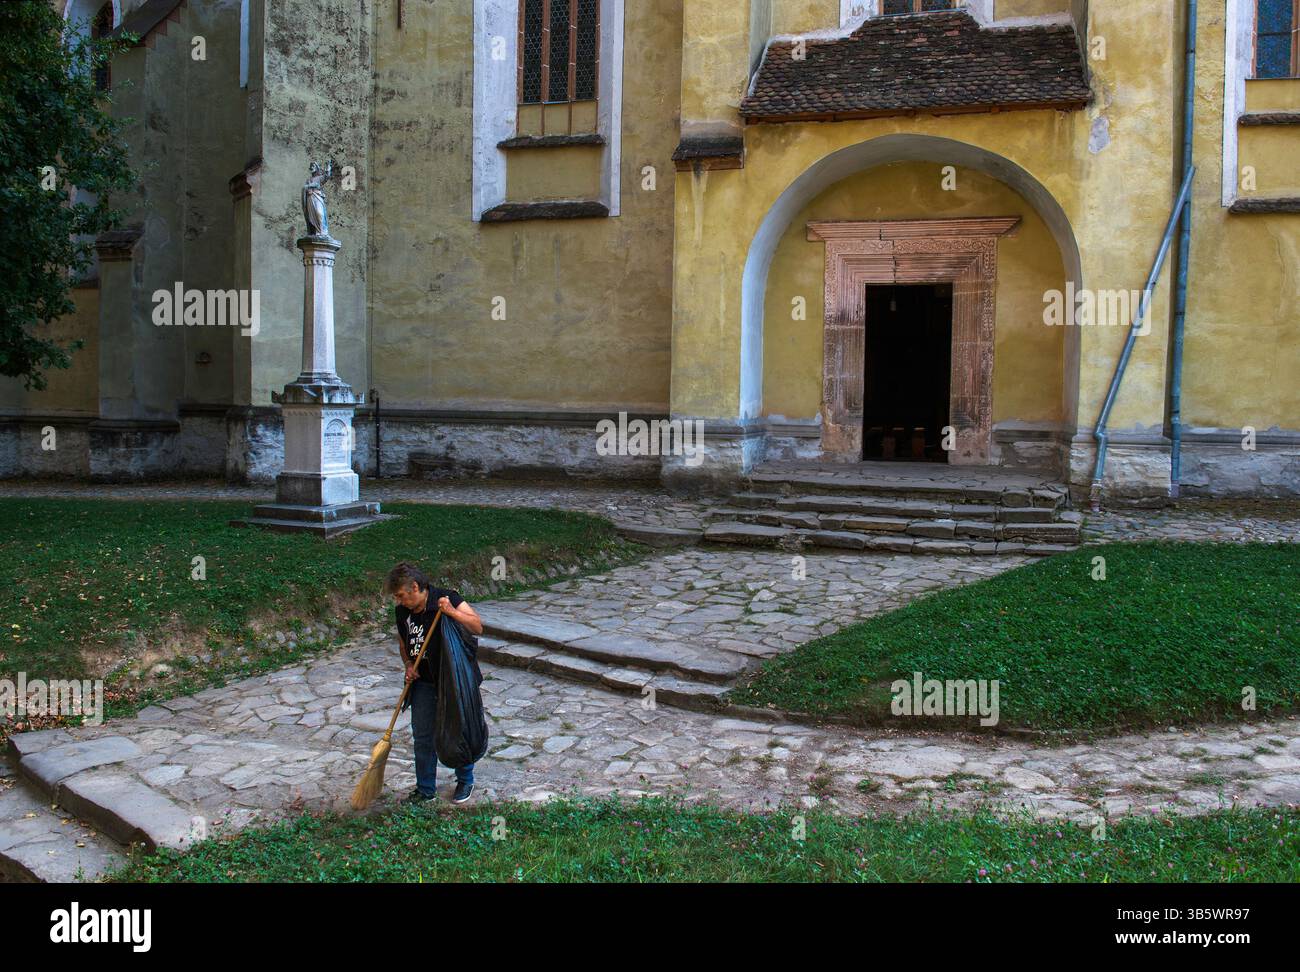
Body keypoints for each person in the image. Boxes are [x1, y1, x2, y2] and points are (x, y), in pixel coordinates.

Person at [385, 562, 484, 804]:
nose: (399, 601)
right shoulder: (403, 613)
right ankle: (425, 789)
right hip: (424, 682)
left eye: (401, 595)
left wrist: (451, 611)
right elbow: (403, 643)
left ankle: (465, 780)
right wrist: (409, 664)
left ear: (415, 587)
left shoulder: (447, 598)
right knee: (422, 735)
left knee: (459, 728)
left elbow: (477, 626)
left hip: (453, 679)